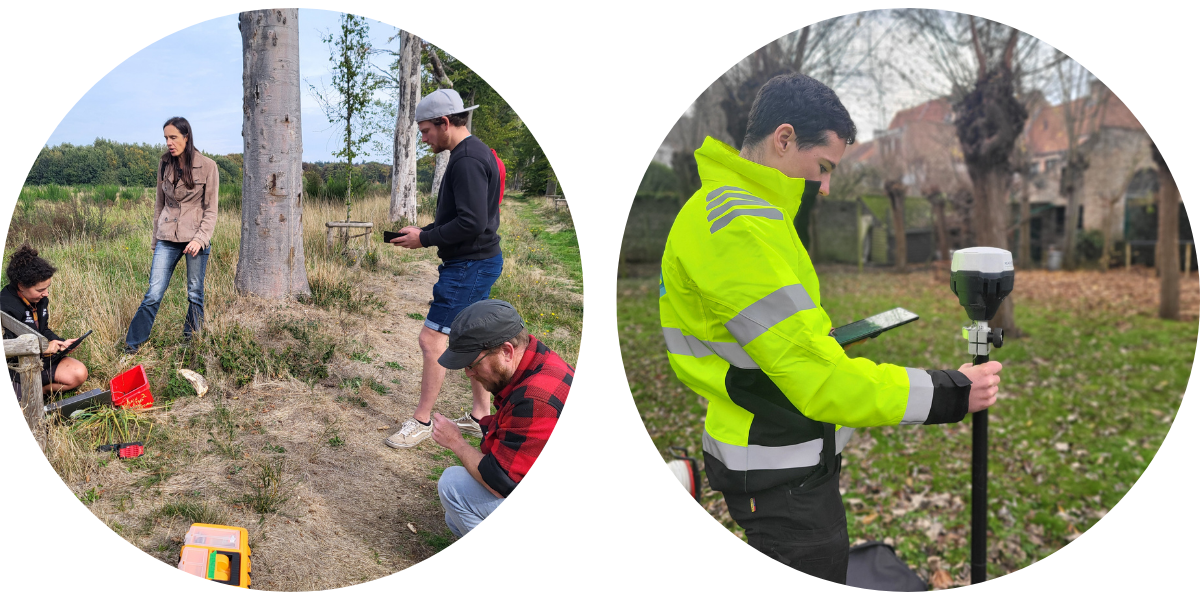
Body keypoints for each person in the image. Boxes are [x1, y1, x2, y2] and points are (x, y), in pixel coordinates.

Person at [658, 73, 1003, 583]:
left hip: (775, 446)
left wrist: (818, 343)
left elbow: (768, 340)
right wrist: (951, 392)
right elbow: (820, 380)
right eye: (823, 166)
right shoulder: (738, 228)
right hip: (780, 473)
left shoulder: (738, 212)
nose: (825, 186)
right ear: (784, 138)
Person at [386, 89, 505, 449]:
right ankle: (481, 416)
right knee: (475, 337)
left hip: (468, 266)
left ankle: (422, 421)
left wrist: (425, 239)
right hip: (479, 261)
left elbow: (472, 223)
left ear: (444, 122)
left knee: (432, 340)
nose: (424, 139)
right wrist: (424, 231)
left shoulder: (466, 159)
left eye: (425, 131)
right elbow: (466, 217)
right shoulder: (474, 152)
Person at [427, 300, 572, 537]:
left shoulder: (535, 399)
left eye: (473, 364)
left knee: (453, 486)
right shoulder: (538, 360)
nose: (469, 373)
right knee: (454, 517)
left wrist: (456, 442)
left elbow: (502, 482)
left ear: (506, 351)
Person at [123, 117, 219, 354]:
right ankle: (132, 346)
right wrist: (155, 240)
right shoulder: (164, 163)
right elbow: (159, 204)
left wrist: (200, 239)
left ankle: (191, 343)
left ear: (186, 137)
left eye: (173, 137)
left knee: (195, 293)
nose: (169, 142)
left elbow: (211, 210)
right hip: (166, 237)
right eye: (166, 138)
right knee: (153, 293)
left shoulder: (208, 166)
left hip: (195, 239)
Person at [1, 244, 88, 393]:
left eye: (47, 288)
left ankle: (39, 391)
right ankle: (27, 393)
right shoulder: (4, 307)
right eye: (40, 290)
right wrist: (42, 348)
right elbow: (7, 348)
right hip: (14, 370)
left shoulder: (39, 300)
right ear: (21, 286)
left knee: (79, 373)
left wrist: (60, 342)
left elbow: (43, 330)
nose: (46, 294)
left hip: (39, 361)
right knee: (19, 403)